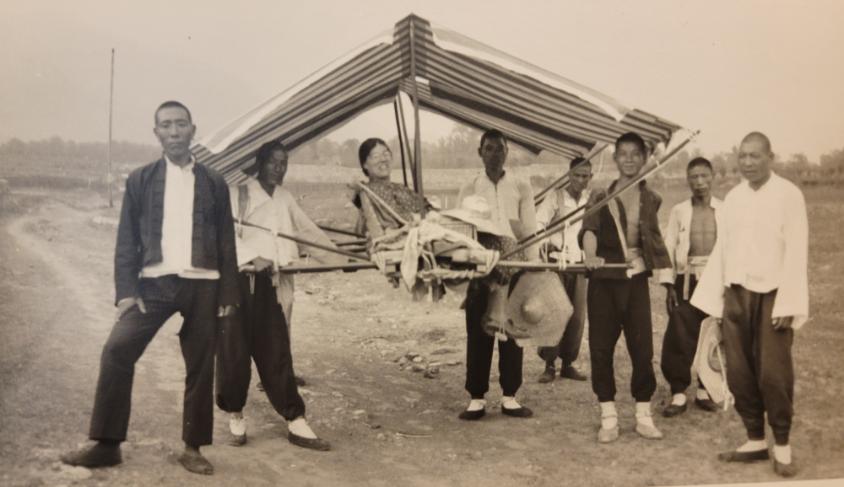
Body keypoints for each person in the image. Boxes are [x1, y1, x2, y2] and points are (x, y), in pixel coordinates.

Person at [60, 101, 239, 475]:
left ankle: (193, 447)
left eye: (180, 125)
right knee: (116, 350)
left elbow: (226, 242)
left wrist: (227, 296)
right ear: (155, 132)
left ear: (193, 129)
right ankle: (107, 444)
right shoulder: (140, 180)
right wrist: (127, 290)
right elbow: (126, 240)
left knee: (201, 366)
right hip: (154, 285)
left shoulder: (214, 182)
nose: (174, 132)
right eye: (166, 126)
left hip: (204, 285)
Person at [691, 132, 808, 478]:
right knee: (740, 373)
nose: (747, 162)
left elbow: (797, 250)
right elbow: (723, 251)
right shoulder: (734, 199)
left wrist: (789, 301)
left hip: (773, 295)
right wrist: (718, 300)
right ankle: (755, 439)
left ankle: (782, 444)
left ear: (771, 157)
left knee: (773, 373)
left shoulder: (789, 195)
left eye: (755, 156)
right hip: (736, 295)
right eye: (742, 156)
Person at [216, 140, 342, 451]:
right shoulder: (240, 194)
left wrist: (338, 259)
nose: (279, 167)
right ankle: (236, 413)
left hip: (271, 285)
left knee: (276, 349)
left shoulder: (284, 198)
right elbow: (223, 234)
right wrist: (251, 257)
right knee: (235, 352)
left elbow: (306, 231)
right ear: (259, 162)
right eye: (273, 161)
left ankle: (294, 418)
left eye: (283, 161)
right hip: (239, 283)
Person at [580, 131, 672, 443]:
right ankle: (608, 417)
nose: (630, 159)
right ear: (616, 158)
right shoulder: (599, 195)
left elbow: (653, 239)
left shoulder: (651, 198)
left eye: (636, 154)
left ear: (644, 159)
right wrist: (591, 256)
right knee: (601, 348)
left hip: (636, 284)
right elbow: (589, 230)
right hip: (604, 282)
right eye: (624, 154)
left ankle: (643, 415)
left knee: (642, 349)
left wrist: (656, 266)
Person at [455, 129, 538, 421]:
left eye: (500, 149)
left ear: (507, 152)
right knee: (478, 330)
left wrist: (533, 267)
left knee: (511, 331)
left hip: (514, 265)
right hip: (481, 265)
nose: (495, 154)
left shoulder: (520, 185)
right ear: (480, 152)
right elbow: (462, 231)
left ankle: (510, 396)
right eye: (489, 149)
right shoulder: (470, 186)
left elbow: (529, 229)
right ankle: (476, 397)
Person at [657, 157, 722, 417]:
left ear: (712, 176)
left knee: (713, 334)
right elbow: (668, 247)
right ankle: (679, 392)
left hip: (716, 278)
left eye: (704, 176)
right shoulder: (679, 211)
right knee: (680, 333)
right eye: (694, 177)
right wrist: (669, 285)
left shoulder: (725, 210)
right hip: (687, 279)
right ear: (688, 180)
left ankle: (706, 390)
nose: (700, 182)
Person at [534, 157, 592, 383]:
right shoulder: (555, 197)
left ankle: (568, 363)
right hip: (557, 262)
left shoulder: (590, 200)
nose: (580, 180)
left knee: (577, 316)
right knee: (554, 312)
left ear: (590, 178)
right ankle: (549, 364)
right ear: (569, 175)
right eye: (576, 175)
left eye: (585, 176)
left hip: (579, 263)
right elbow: (539, 224)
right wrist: (546, 243)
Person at [352, 138, 431, 239]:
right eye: (376, 156)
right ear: (365, 165)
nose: (383, 159)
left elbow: (425, 206)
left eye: (386, 154)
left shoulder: (400, 187)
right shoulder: (370, 191)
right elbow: (398, 219)